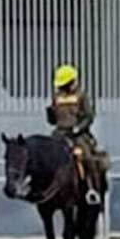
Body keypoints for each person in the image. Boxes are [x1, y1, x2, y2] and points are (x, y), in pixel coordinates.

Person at [46, 63, 106, 205]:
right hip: (59, 133)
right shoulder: (56, 97)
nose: (62, 88)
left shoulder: (82, 96)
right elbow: (52, 121)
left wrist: (78, 128)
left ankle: (92, 189)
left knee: (87, 157)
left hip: (78, 134)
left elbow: (89, 116)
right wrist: (50, 114)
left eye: (64, 84)